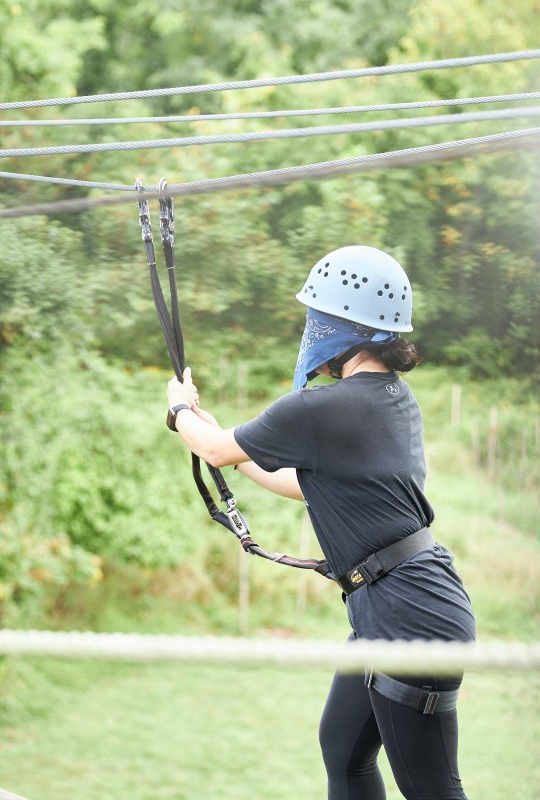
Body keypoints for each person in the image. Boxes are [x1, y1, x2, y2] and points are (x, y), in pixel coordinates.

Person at [164, 245, 475, 800]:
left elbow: (211, 450)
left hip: (410, 619)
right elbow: (300, 480)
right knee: (344, 751)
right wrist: (222, 444)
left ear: (341, 327)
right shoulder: (392, 400)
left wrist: (181, 410)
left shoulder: (321, 409)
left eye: (317, 316)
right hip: (399, 607)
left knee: (433, 791)